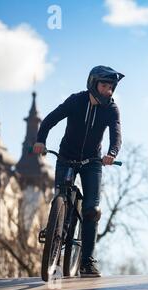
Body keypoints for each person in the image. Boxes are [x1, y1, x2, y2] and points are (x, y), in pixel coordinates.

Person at [33, 66, 125, 277]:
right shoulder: (76, 101)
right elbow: (50, 119)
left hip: (92, 161)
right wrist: (40, 140)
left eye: (111, 88)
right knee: (61, 195)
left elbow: (116, 134)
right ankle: (56, 231)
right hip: (66, 157)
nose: (108, 91)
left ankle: (87, 262)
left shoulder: (111, 109)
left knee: (92, 209)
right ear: (93, 84)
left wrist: (111, 153)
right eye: (104, 86)